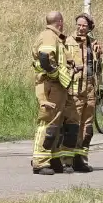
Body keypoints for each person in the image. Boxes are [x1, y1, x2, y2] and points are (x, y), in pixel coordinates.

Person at [30, 11, 72, 175]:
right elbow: (45, 59)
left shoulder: (55, 37)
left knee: (55, 124)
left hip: (56, 87)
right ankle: (40, 162)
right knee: (47, 123)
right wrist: (58, 76)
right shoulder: (49, 36)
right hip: (50, 85)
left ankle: (53, 159)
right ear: (60, 22)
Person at [62, 13, 102, 173]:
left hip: (90, 89)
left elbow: (98, 69)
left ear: (89, 27)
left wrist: (99, 55)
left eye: (84, 25)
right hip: (75, 89)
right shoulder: (68, 42)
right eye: (79, 24)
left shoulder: (93, 43)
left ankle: (81, 159)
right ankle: (67, 161)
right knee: (72, 125)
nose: (81, 28)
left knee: (87, 127)